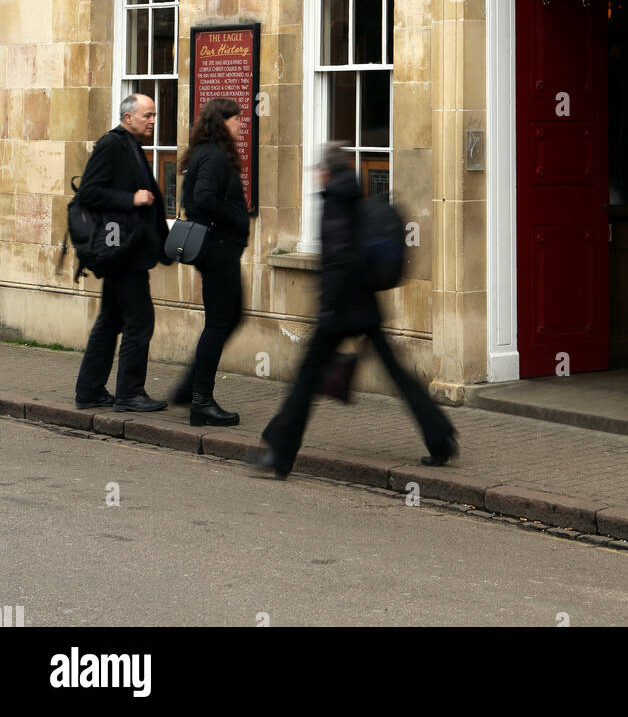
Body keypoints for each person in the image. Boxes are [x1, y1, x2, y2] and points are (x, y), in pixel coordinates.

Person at [253, 143, 457, 478]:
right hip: (365, 307)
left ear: (325, 171)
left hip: (340, 310)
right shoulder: (354, 196)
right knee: (398, 374)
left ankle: (280, 451)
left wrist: (328, 310)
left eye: (318, 169)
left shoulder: (334, 201)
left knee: (305, 380)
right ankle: (441, 437)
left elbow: (337, 260)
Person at [74, 94, 170, 412]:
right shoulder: (112, 144)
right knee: (140, 321)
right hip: (121, 250)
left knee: (110, 320)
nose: (153, 121)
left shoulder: (131, 146)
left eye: (154, 115)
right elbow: (89, 191)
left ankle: (89, 390)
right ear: (128, 117)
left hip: (128, 249)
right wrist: (131, 199)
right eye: (148, 115)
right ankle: (130, 394)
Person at [171, 97, 250, 427]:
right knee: (220, 323)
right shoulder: (215, 156)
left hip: (219, 249)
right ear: (221, 122)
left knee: (232, 316)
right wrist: (234, 217)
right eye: (235, 120)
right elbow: (201, 199)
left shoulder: (206, 152)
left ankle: (190, 389)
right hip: (218, 249)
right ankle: (201, 401)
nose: (240, 124)